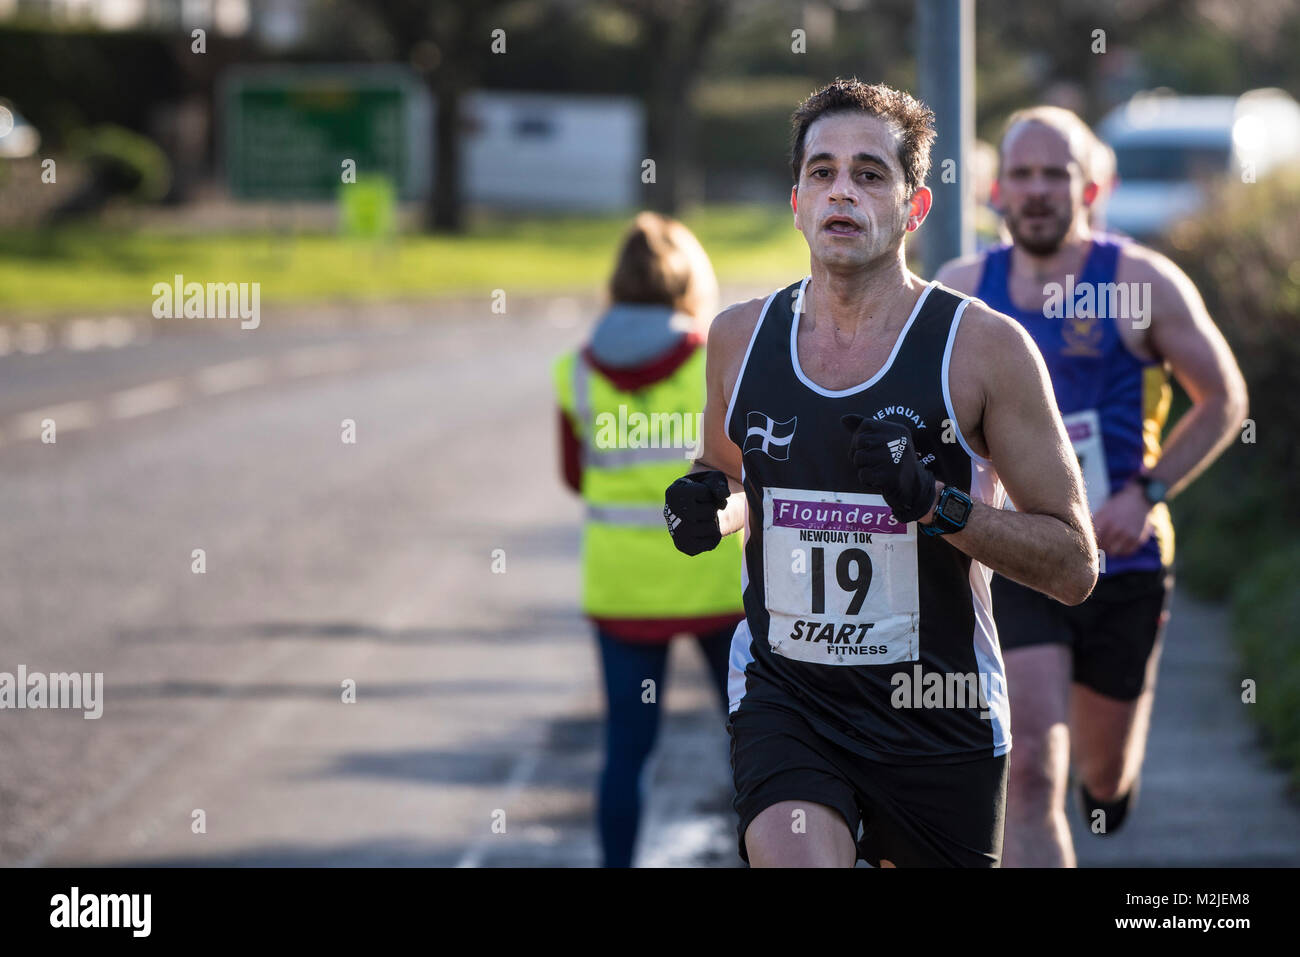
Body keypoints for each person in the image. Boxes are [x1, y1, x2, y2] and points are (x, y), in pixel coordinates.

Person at [663, 79, 1097, 868]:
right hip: (789, 696)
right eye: (822, 172)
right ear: (795, 200)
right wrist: (709, 508)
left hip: (939, 709)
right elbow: (729, 478)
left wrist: (939, 505)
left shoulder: (983, 350)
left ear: (915, 207)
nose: (842, 191)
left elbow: (1073, 564)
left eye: (869, 174)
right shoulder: (737, 338)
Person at [935, 106, 1248, 867]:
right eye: (1022, 175)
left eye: (1056, 174)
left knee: (1103, 775)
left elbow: (1224, 399)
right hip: (1017, 553)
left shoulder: (1140, 282)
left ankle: (1108, 791)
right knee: (1034, 765)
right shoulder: (961, 291)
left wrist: (1149, 492)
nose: (1037, 191)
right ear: (995, 190)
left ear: (1093, 185)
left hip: (1124, 558)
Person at [553, 211, 745, 868]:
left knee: (627, 752)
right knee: (756, 741)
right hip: (713, 581)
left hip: (622, 590)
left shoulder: (576, 371)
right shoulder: (713, 361)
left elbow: (576, 476)